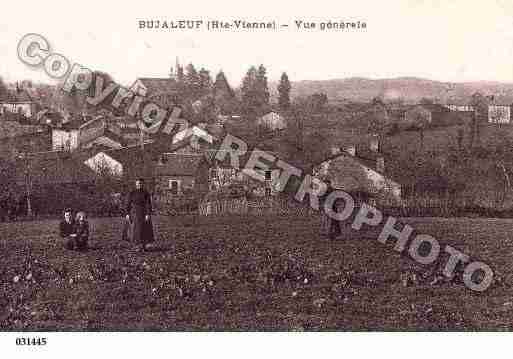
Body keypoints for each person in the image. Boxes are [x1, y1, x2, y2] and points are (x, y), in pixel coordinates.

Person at [125, 178, 155, 251]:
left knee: (145, 229)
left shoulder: (146, 193)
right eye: (138, 184)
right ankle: (137, 246)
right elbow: (128, 203)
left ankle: (144, 245)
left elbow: (148, 204)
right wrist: (127, 213)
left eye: (141, 184)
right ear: (136, 184)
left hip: (144, 212)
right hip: (134, 213)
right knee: (135, 229)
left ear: (143, 184)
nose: (139, 185)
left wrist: (148, 214)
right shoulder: (132, 193)